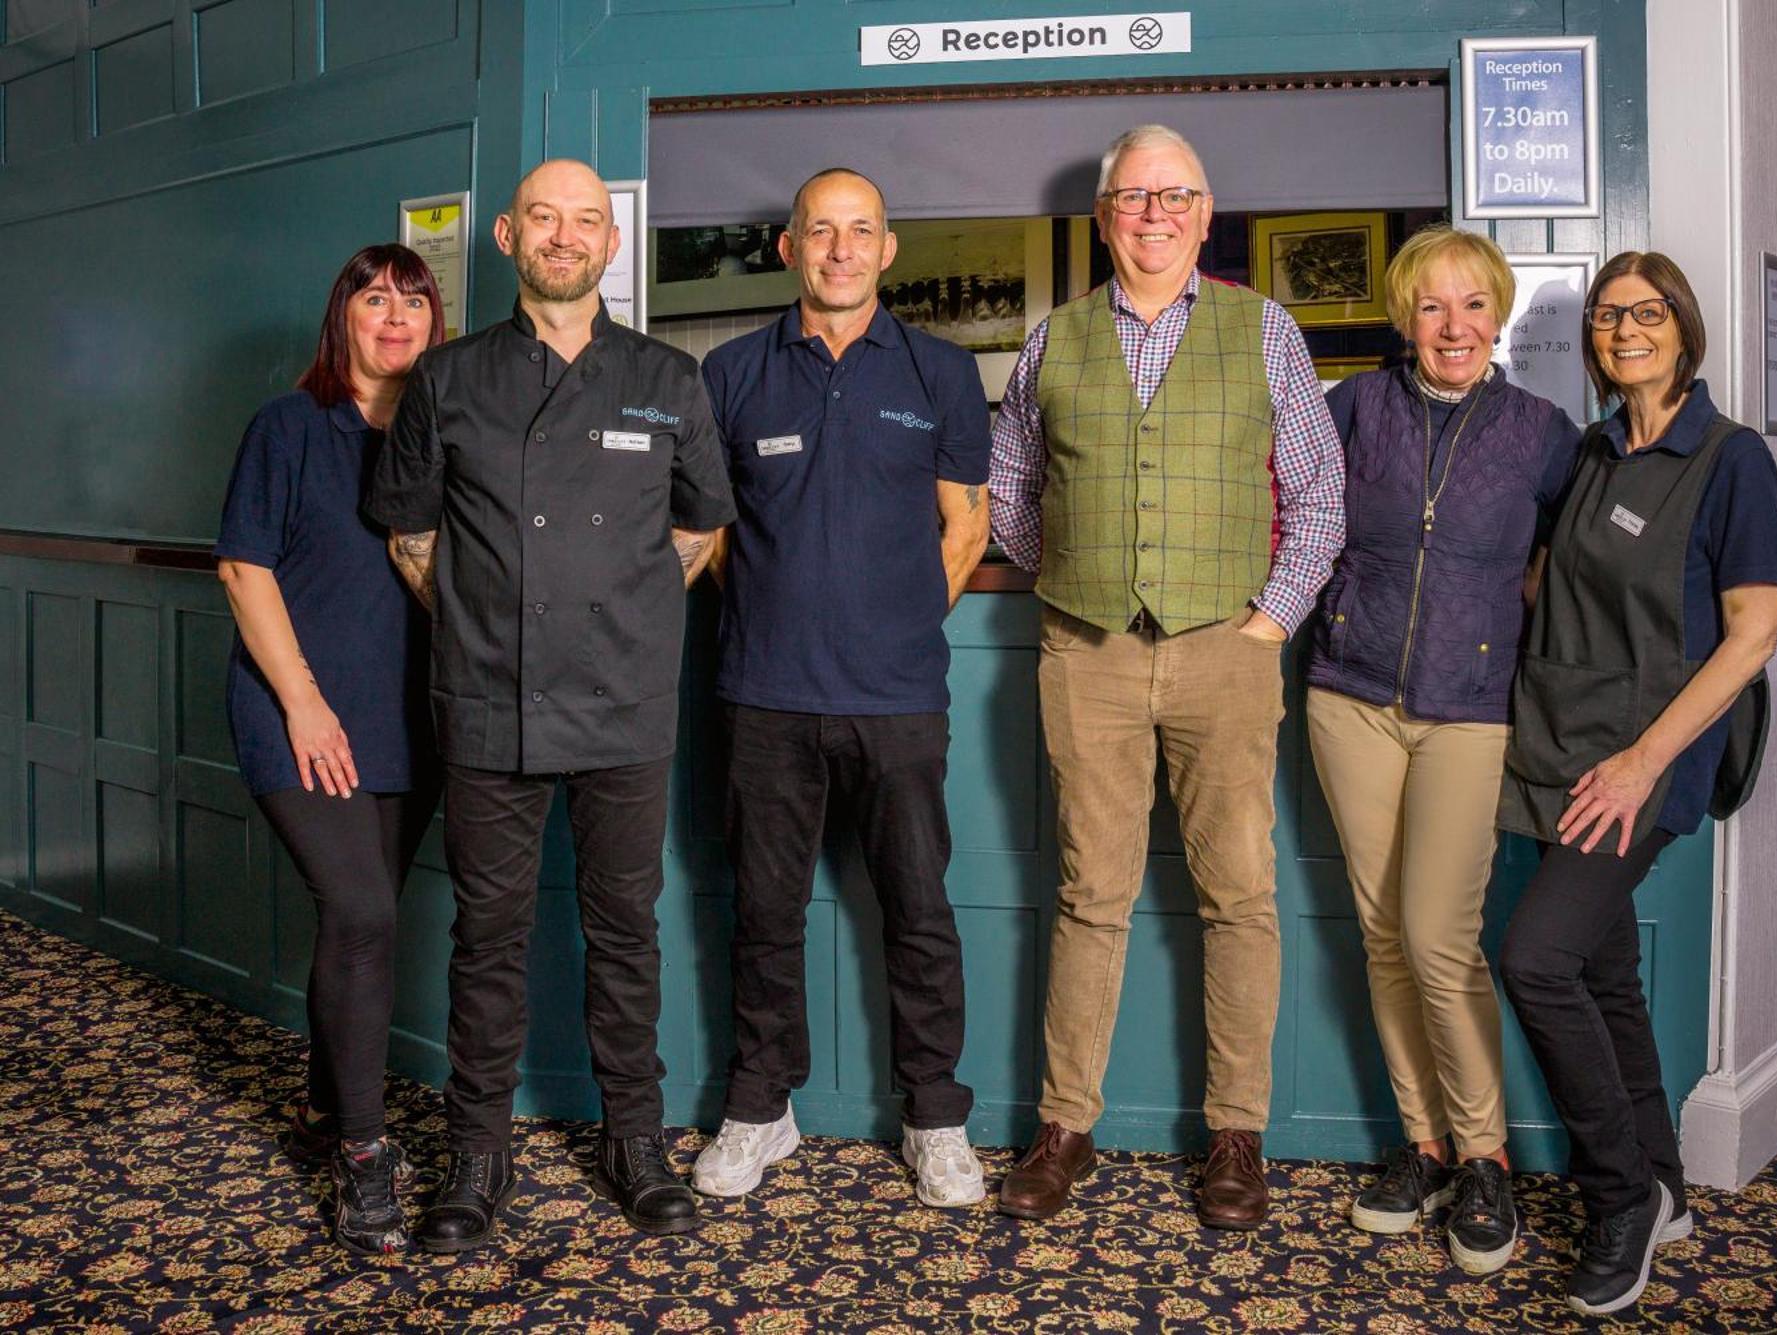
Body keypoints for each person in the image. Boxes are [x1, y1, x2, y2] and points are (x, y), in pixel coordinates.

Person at [364, 159, 737, 1253]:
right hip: (487, 700)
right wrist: (484, 615)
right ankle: (475, 1158)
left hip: (624, 703)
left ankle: (634, 1141)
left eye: (585, 220)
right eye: (543, 218)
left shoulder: (667, 378)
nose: (564, 236)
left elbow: (701, 524)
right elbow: (408, 528)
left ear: (610, 244)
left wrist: (617, 612)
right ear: (506, 239)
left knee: (624, 932)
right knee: (486, 937)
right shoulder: (448, 377)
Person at [989, 125, 1346, 1230]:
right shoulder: (1052, 340)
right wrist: (1079, 578)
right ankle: (1065, 1131)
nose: (1152, 213)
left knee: (1237, 897)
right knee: (1088, 896)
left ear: (1204, 212)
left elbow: (1320, 495)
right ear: (1104, 218)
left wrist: (1266, 622)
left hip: (1223, 656)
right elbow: (1009, 492)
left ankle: (1235, 1137)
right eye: (1132, 197)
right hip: (1084, 653)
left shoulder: (1265, 329)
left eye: (1173, 196)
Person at [691, 168, 991, 1208]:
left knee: (916, 911)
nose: (839, 249)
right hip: (762, 695)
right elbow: (716, 534)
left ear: (886, 249)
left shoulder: (941, 373)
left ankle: (936, 1118)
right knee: (764, 913)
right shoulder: (727, 374)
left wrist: (894, 622)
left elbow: (966, 529)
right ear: (787, 248)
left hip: (898, 697)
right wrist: (783, 615)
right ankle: (760, 1108)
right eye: (820, 231)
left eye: (858, 230)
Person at [1496, 252, 1777, 1317]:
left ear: (1681, 327)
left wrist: (1644, 760)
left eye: (1646, 312)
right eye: (1609, 315)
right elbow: (1543, 583)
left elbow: (1751, 635)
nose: (1624, 329)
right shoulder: (1590, 450)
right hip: (1558, 744)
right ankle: (1659, 1180)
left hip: (1642, 758)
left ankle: (1617, 1196)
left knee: (1533, 959)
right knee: (1601, 975)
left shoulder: (1728, 457)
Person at [1302, 226, 1580, 1272]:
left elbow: (1574, 559)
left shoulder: (1541, 431)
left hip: (1470, 705)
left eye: (1470, 306)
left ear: (1496, 316)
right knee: (1378, 932)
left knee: (1435, 936)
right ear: (1401, 317)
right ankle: (1420, 1148)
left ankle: (1485, 1159)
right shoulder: (1351, 410)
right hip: (1349, 697)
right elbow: (1292, 521)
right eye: (1430, 307)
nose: (1451, 326)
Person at [214, 244, 445, 1254]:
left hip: (411, 718)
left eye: (413, 301)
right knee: (360, 910)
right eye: (373, 298)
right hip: (298, 711)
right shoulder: (288, 427)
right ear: (340, 317)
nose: (393, 317)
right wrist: (303, 703)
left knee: (361, 921)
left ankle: (319, 1103)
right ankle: (361, 1156)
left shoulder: (445, 435)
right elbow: (242, 568)